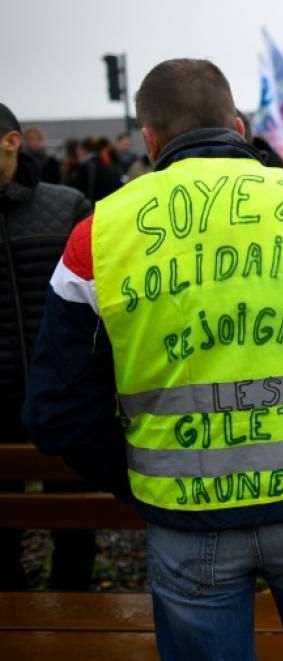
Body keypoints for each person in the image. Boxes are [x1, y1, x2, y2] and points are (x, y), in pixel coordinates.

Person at [22, 59, 283, 660]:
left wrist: (142, 482)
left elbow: (54, 410)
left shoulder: (98, 234)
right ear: (237, 126)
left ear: (149, 139)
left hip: (185, 521)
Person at [0, 104, 93, 589]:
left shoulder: (69, 205)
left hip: (63, 392)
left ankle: (75, 596)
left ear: (11, 142)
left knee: (75, 521)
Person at [72, 136, 125, 202]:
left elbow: (78, 193)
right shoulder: (110, 166)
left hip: (92, 208)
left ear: (83, 151)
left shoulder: (85, 167)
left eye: (78, 152)